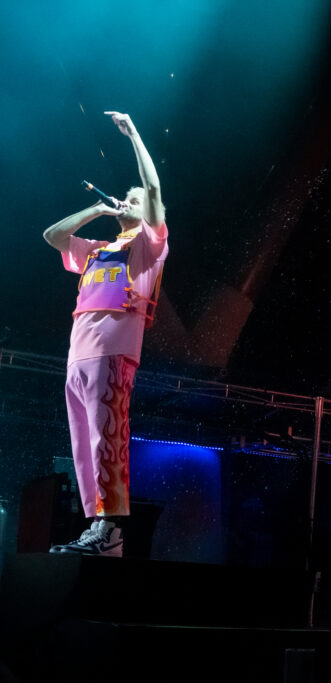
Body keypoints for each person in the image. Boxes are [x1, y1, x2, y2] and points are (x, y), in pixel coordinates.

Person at [42, 111, 168, 557]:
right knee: (84, 444)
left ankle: (112, 530)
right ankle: (99, 529)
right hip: (79, 354)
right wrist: (97, 209)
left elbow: (152, 189)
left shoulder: (148, 246)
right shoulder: (99, 250)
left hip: (114, 351)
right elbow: (53, 235)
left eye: (133, 201)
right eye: (127, 198)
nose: (130, 200)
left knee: (107, 436)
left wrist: (134, 133)